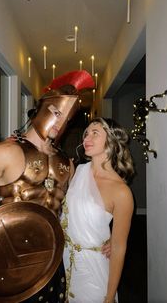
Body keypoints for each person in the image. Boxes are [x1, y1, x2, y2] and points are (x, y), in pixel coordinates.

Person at [0, 70, 99, 303]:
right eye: (57, 113)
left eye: (67, 119)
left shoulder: (66, 163)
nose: (60, 123)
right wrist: (0, 240)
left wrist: (101, 241)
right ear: (41, 109)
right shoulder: (5, 152)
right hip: (9, 260)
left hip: (51, 259)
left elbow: (72, 212)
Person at [62, 117, 134, 303]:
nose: (86, 138)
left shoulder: (121, 192)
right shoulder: (77, 171)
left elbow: (118, 248)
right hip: (65, 263)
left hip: (93, 268)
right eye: (86, 133)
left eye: (95, 133)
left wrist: (109, 297)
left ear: (111, 141)